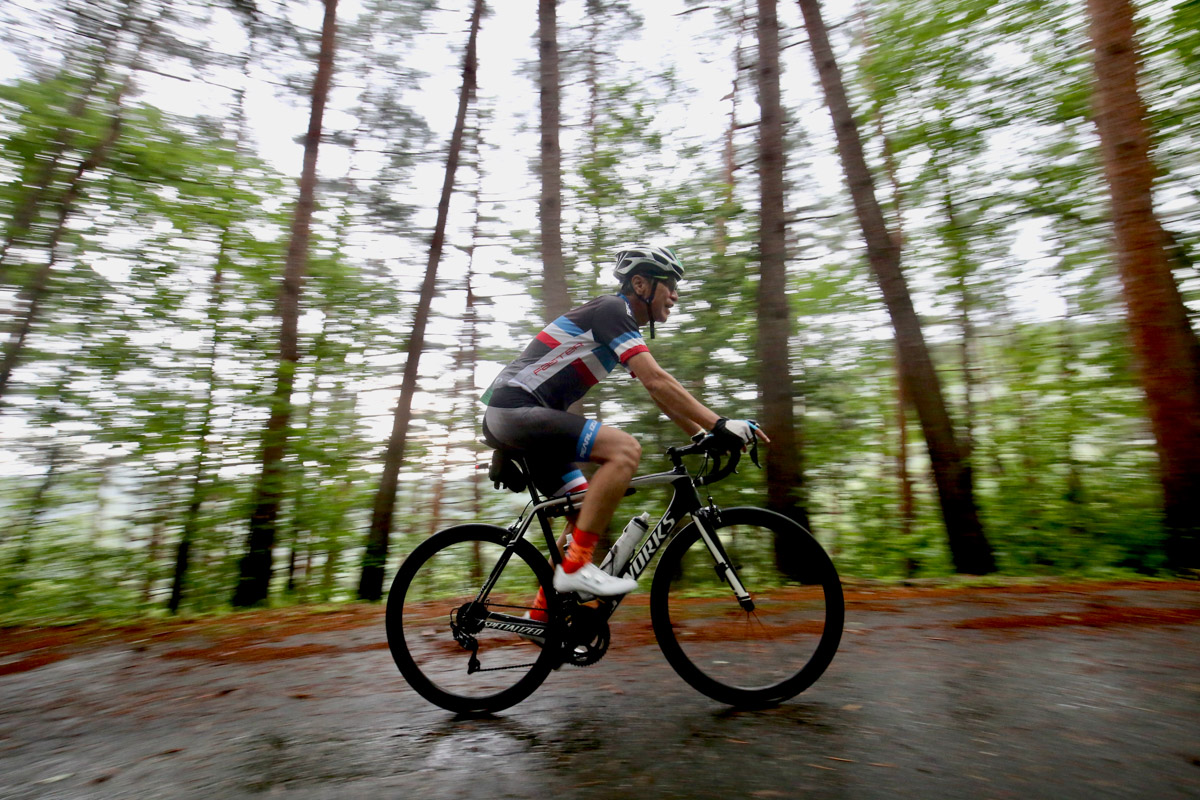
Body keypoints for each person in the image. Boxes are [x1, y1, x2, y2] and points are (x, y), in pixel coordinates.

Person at [480, 244, 769, 615]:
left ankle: (543, 613)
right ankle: (577, 569)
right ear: (640, 284)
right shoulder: (613, 309)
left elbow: (659, 393)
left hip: (519, 418)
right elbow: (657, 381)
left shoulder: (616, 322)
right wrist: (720, 423)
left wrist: (702, 435)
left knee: (583, 509)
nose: (676, 296)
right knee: (625, 450)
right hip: (514, 410)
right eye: (671, 286)